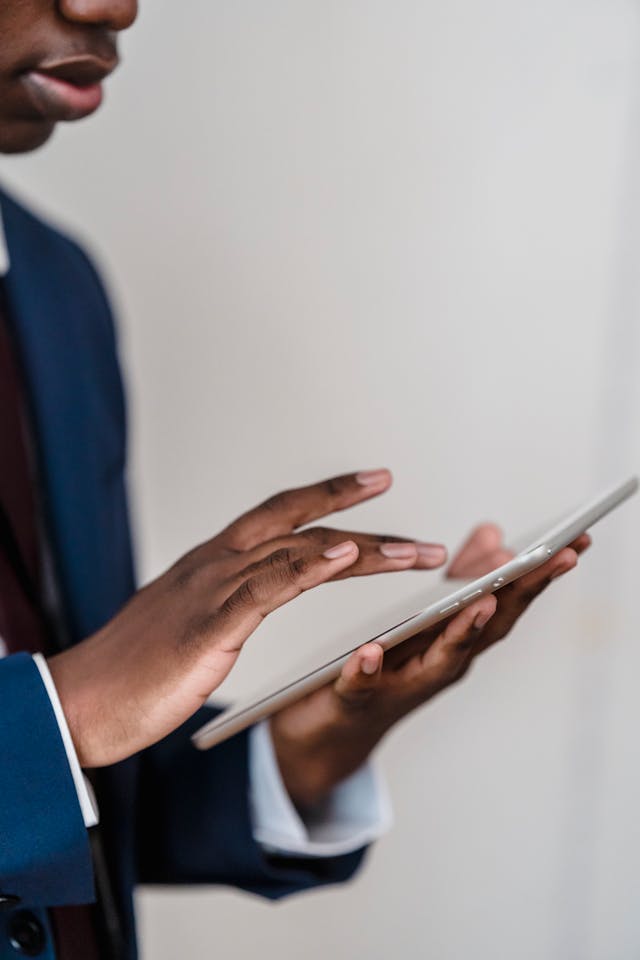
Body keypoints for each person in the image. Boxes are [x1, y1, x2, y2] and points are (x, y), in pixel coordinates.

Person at [0, 2, 589, 958]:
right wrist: (66, 711)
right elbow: (63, 728)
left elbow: (58, 827)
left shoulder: (56, 293)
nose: (112, 6)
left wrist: (313, 739)